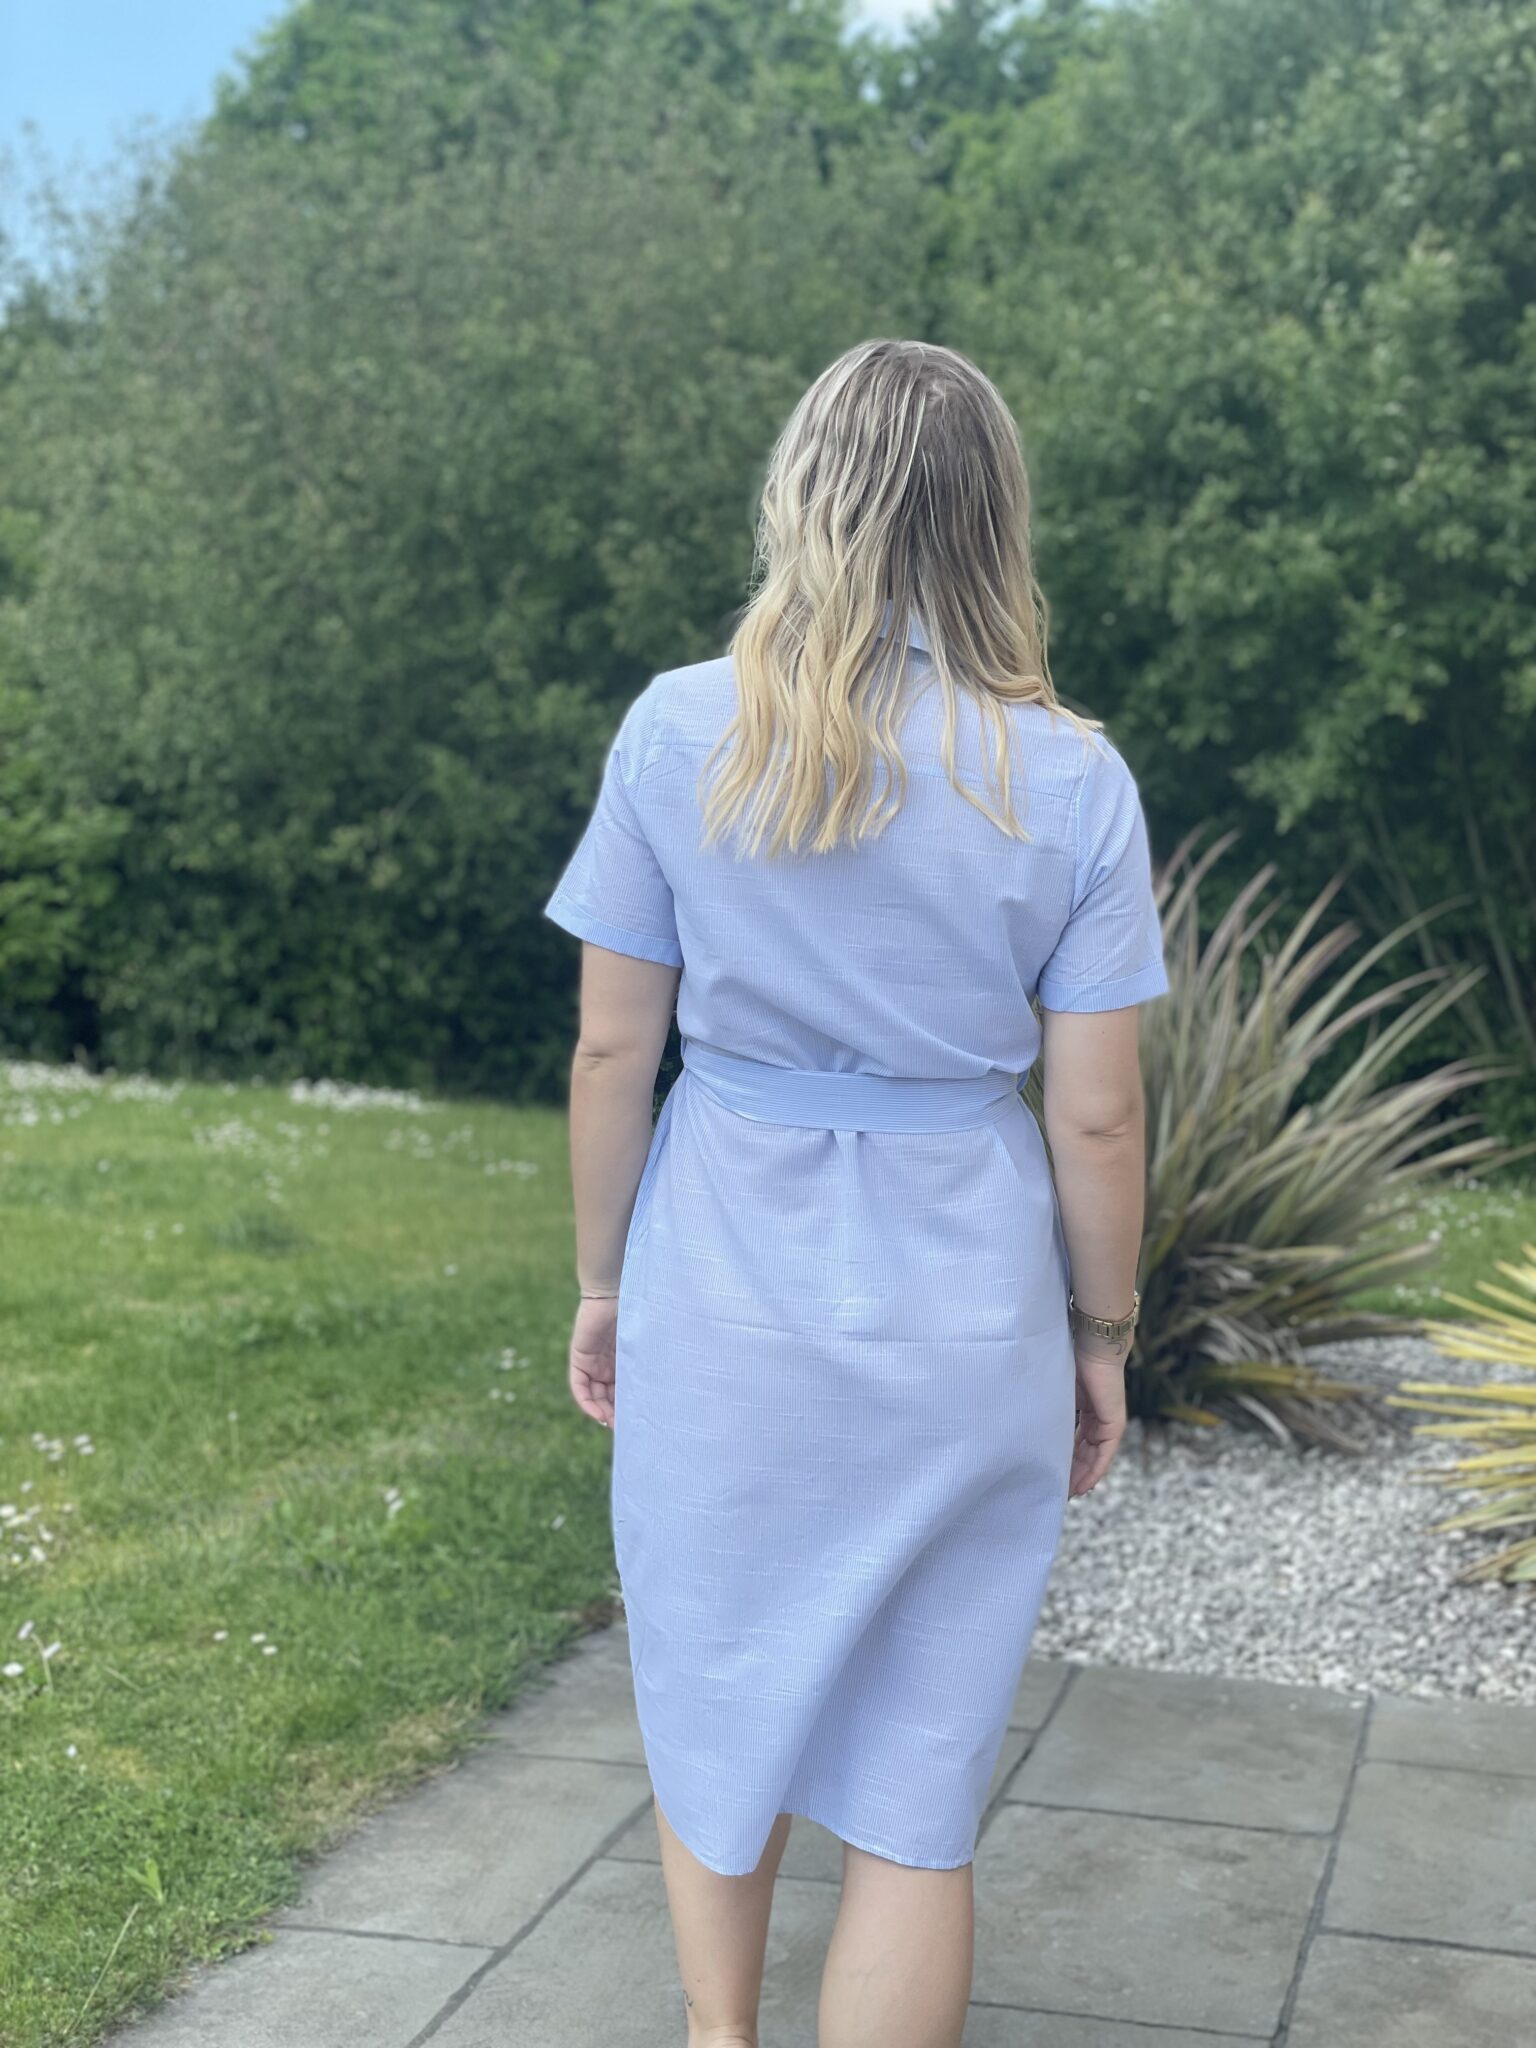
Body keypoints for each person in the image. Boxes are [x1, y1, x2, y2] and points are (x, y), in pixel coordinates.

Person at [542, 337, 1169, 2048]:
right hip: (967, 1301)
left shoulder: (680, 730)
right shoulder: (1068, 776)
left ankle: (718, 2036)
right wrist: (1100, 1336)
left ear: (803, 495)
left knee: (715, 1683)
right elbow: (1098, 1117)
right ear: (994, 519)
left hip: (722, 1275)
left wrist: (601, 1286)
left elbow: (613, 1052)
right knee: (919, 1773)